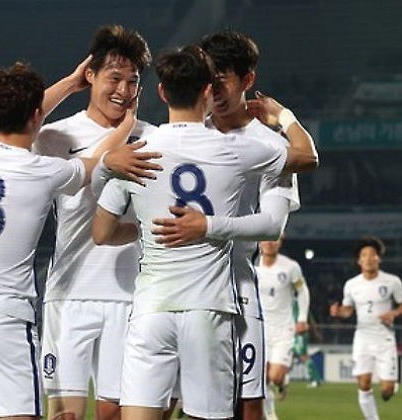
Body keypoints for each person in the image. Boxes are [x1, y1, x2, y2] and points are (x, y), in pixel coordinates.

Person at [0, 62, 156, 420]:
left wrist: (71, 83)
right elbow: (96, 163)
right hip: (4, 318)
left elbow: (49, 126)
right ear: (37, 114)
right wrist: (128, 125)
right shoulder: (43, 170)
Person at [92, 45, 299, 420]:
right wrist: (281, 115)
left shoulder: (136, 153)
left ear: (160, 92)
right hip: (210, 309)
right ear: (208, 91)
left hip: (151, 308)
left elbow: (102, 231)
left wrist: (108, 168)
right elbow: (303, 158)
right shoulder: (238, 149)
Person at [149, 30, 318, 420]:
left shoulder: (269, 145)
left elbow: (273, 224)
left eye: (223, 76)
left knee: (247, 406)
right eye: (209, 76)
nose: (214, 87)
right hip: (171, 287)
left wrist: (283, 117)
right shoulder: (181, 132)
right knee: (159, 404)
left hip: (236, 288)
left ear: (248, 80)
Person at [34, 25, 155, 420]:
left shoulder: (153, 138)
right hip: (69, 293)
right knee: (64, 415)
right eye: (114, 78)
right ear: (91, 75)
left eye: (133, 81)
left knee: (115, 414)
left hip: (130, 295)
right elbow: (18, 123)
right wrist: (69, 84)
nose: (123, 89)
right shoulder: (57, 134)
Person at [330, 237, 402, 420]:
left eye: (372, 255)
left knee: (387, 390)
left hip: (385, 339)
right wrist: (338, 312)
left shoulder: (392, 282)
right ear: (359, 260)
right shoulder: (352, 285)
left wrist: (392, 314)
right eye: (364, 255)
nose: (369, 258)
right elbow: (348, 311)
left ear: (379, 258)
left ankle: (391, 386)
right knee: (363, 382)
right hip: (362, 338)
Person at [256, 238, 311, 420]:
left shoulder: (290, 267)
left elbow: (302, 291)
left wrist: (302, 318)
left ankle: (282, 382)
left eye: (274, 239)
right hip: (259, 330)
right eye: (265, 239)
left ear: (281, 241)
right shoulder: (252, 264)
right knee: (261, 378)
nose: (270, 243)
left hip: (283, 330)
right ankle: (270, 414)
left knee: (275, 376)